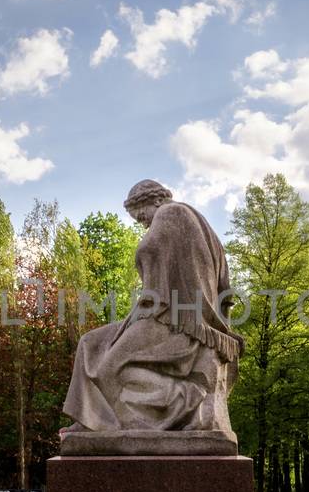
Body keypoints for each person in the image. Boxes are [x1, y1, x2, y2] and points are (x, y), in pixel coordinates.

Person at [62, 179, 242, 440]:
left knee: (108, 367)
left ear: (156, 200)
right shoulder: (198, 224)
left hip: (178, 324)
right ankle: (91, 420)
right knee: (90, 343)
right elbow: (226, 291)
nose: (142, 222)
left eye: (141, 215)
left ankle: (189, 398)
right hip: (162, 315)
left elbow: (151, 253)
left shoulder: (172, 213)